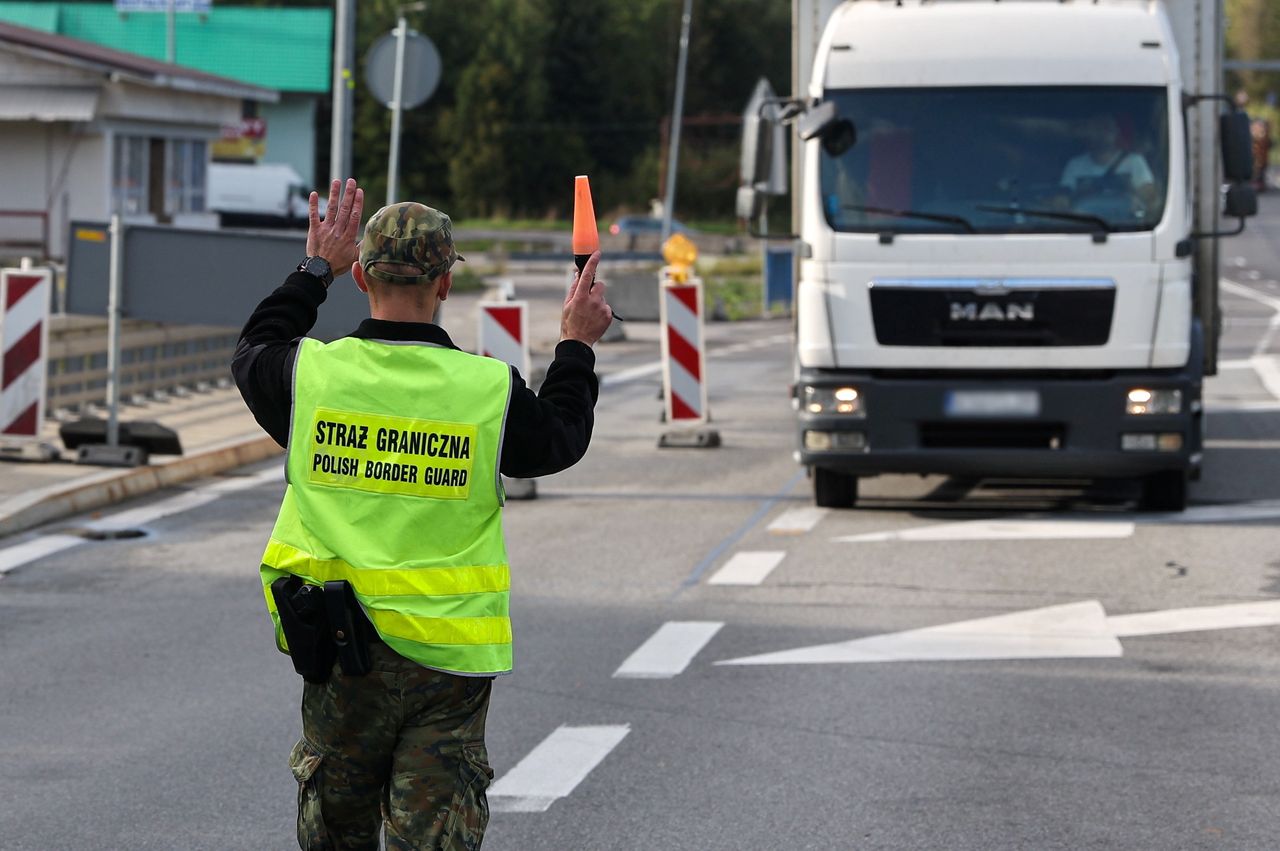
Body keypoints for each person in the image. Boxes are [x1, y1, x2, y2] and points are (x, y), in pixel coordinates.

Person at [231, 177, 614, 849]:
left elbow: (253, 348)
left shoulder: (310, 377)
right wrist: (575, 344)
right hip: (447, 666)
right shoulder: (486, 391)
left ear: (360, 276)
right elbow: (559, 437)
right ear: (445, 284)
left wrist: (311, 268)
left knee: (336, 834)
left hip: (339, 650)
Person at [1058, 113, 1158, 212]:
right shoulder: (1075, 165)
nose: (1102, 133)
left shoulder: (1134, 161)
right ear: (1088, 133)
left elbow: (1149, 197)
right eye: (1097, 128)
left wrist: (1134, 192)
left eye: (1107, 127)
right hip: (1085, 225)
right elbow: (1063, 199)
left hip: (1129, 225)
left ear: (1116, 132)